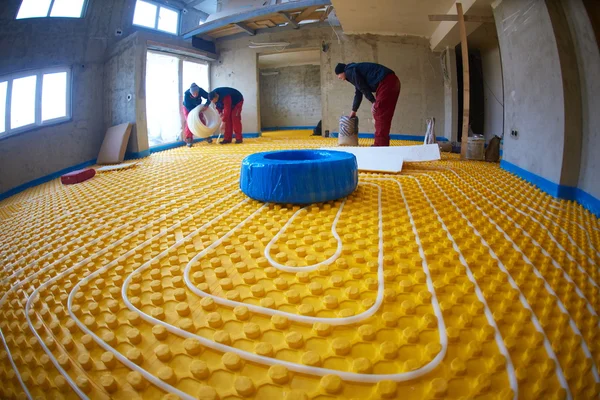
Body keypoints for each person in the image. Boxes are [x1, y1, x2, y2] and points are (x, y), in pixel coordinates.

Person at [335, 62, 401, 147]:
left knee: (379, 112)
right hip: (393, 81)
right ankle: (383, 144)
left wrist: (373, 102)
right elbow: (359, 92)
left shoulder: (349, 71)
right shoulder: (354, 70)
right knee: (384, 115)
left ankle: (380, 146)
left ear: (342, 72)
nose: (338, 77)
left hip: (386, 82)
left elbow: (362, 88)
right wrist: (354, 110)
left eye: (338, 75)